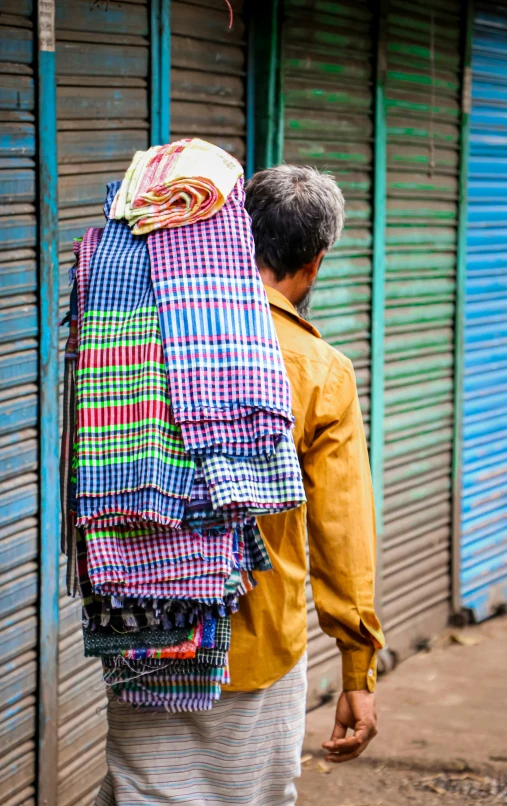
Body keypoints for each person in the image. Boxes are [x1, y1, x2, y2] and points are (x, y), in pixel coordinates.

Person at [96, 165, 384, 806]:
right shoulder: (320, 369)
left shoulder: (137, 337)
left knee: (142, 793)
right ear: (314, 262)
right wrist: (357, 669)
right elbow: (342, 534)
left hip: (148, 630)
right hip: (258, 646)